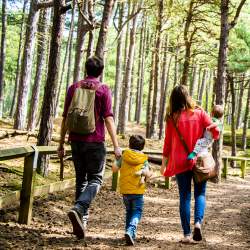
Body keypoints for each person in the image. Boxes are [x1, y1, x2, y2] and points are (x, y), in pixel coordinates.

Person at [57, 56, 121, 239]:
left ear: (86, 69)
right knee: (96, 180)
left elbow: (65, 118)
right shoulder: (103, 89)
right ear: (101, 71)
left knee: (81, 180)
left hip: (75, 140)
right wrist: (116, 146)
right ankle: (79, 208)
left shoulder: (73, 87)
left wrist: (61, 143)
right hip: (95, 141)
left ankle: (81, 221)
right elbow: (108, 118)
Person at [160, 85, 220, 243]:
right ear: (187, 97)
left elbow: (167, 144)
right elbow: (214, 132)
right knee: (200, 193)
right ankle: (198, 223)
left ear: (173, 99)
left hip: (180, 161)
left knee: (184, 197)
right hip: (199, 159)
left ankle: (187, 235)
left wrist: (163, 164)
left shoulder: (172, 117)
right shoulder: (199, 113)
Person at [112, 135, 152, 246]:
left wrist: (117, 159)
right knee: (137, 211)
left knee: (129, 211)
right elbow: (148, 173)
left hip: (125, 191)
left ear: (129, 145)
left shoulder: (124, 156)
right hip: (138, 191)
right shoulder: (143, 159)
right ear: (142, 147)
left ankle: (129, 233)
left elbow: (115, 169)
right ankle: (130, 230)